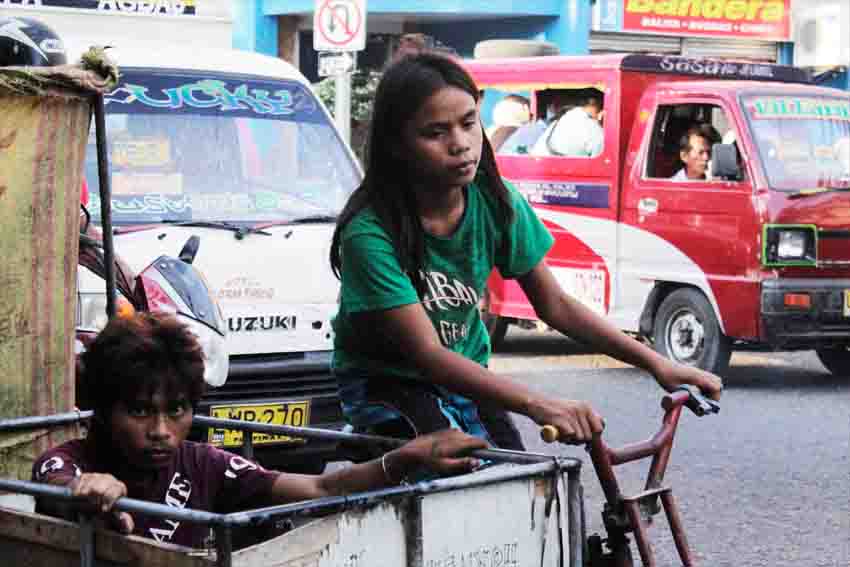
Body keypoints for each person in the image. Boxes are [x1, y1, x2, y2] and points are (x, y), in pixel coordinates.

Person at [329, 52, 722, 456]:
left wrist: (657, 364)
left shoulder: (495, 202)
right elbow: (426, 354)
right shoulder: (369, 233)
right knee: (457, 478)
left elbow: (555, 305)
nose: (461, 144)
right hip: (385, 385)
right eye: (435, 133)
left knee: (521, 479)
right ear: (397, 145)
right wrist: (538, 403)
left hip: (465, 376)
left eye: (468, 124)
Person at [32, 312, 486, 548]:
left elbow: (319, 484)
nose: (161, 431)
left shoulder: (204, 465)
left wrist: (405, 458)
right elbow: (58, 481)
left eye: (177, 410)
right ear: (103, 409)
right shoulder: (70, 459)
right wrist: (88, 490)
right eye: (138, 412)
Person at [531, 90, 604, 157]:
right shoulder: (593, 128)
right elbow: (601, 159)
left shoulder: (559, 120)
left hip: (540, 168)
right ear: (601, 113)